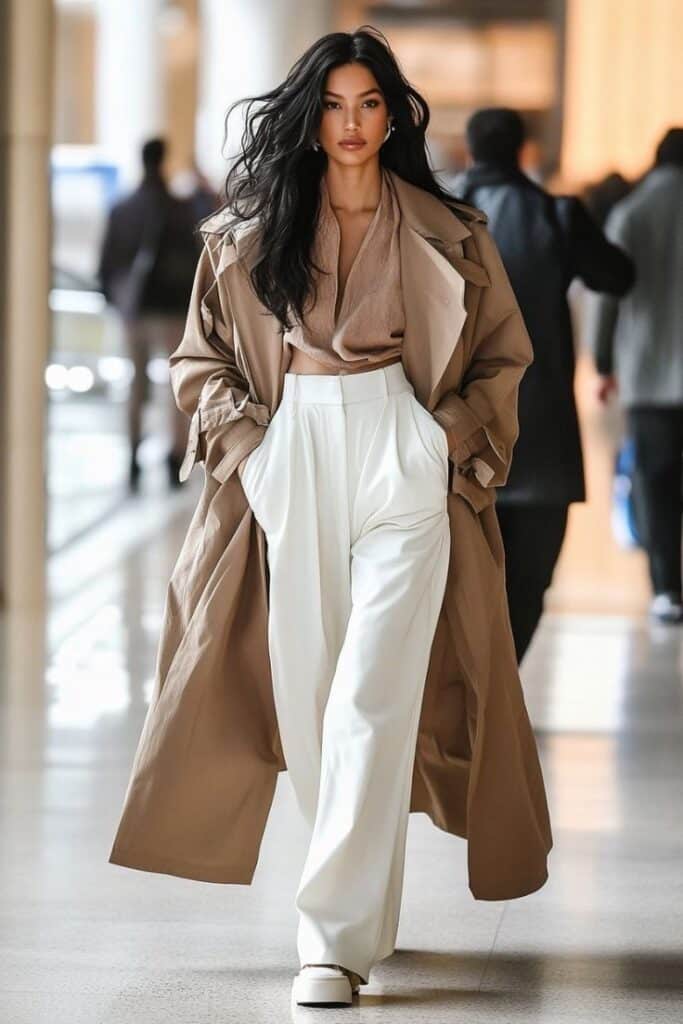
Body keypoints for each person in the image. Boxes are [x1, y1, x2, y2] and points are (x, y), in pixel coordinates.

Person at [108, 28, 553, 1006]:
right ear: (309, 120)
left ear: (393, 116)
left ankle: (328, 942)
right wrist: (252, 451)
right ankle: (361, 919)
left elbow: (501, 355)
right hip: (291, 447)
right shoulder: (250, 230)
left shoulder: (450, 230)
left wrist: (440, 438)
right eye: (333, 104)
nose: (350, 123)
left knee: (370, 696)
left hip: (402, 445)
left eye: (368, 103)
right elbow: (200, 359)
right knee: (312, 706)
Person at [455, 108, 635, 662]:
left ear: (470, 151)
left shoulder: (434, 214)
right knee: (528, 582)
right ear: (524, 151)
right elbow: (618, 275)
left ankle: (467, 689)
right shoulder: (556, 215)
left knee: (454, 582)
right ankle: (502, 680)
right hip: (540, 433)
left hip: (455, 435)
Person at [588, 127, 683, 624]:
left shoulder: (631, 212)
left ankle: (667, 588)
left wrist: (603, 362)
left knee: (656, 482)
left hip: (648, 377)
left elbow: (607, 295)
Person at [97, 137, 197, 491]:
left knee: (136, 385)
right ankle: (174, 459)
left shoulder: (123, 208)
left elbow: (106, 264)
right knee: (175, 387)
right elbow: (196, 261)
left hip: (134, 311)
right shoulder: (180, 209)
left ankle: (133, 456)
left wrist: (116, 300)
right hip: (173, 311)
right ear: (164, 159)